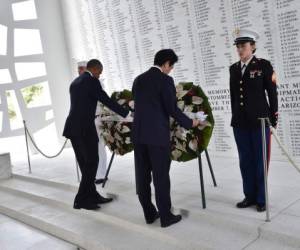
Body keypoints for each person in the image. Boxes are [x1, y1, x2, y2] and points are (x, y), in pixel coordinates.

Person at [132, 49, 200, 227]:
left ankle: (149, 213)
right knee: (161, 177)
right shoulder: (165, 80)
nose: (171, 70)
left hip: (138, 136)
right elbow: (171, 108)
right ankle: (166, 217)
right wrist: (189, 123)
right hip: (157, 136)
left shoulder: (138, 79)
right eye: (171, 66)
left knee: (142, 176)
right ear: (166, 63)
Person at [63, 59, 129, 210]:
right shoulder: (92, 81)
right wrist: (126, 113)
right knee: (92, 162)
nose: (99, 76)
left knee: (86, 164)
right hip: (85, 129)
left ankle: (92, 195)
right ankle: (80, 199)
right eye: (99, 72)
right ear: (94, 69)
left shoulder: (75, 82)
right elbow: (105, 99)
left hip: (72, 129)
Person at [229, 29, 278, 212]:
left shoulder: (264, 65)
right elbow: (234, 96)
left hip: (260, 122)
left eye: (243, 46)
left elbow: (272, 94)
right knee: (245, 160)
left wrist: (273, 118)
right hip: (240, 124)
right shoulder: (233, 69)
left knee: (260, 161)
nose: (240, 50)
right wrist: (235, 116)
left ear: (253, 46)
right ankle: (249, 195)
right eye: (238, 47)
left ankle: (261, 198)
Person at [77, 61, 108, 185]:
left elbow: (103, 100)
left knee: (100, 147)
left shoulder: (95, 81)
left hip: (96, 118)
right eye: (78, 69)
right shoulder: (78, 83)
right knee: (90, 149)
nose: (79, 71)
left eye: (81, 68)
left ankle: (101, 174)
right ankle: (94, 174)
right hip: (85, 121)